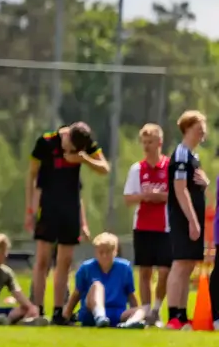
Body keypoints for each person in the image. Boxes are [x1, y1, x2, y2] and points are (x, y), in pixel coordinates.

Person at [26, 121, 110, 325]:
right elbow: (32, 175)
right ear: (66, 134)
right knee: (43, 260)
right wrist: (29, 210)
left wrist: (83, 158)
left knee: (64, 261)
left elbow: (104, 168)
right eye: (68, 145)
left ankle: (58, 312)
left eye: (74, 149)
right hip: (47, 205)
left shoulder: (85, 145)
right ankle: (36, 310)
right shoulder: (45, 141)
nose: (69, 150)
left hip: (71, 206)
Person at [122, 123, 170, 326]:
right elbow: (128, 198)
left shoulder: (170, 166)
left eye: (151, 142)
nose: (147, 146)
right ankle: (146, 311)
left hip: (165, 226)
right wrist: (145, 196)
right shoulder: (137, 169)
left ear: (160, 142)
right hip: (142, 225)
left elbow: (177, 195)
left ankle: (157, 308)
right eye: (144, 142)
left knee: (165, 271)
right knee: (144, 271)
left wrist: (161, 196)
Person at [165, 111, 208, 330]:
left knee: (189, 264)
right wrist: (192, 220)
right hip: (182, 218)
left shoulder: (194, 156)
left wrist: (205, 183)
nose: (203, 130)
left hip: (193, 218)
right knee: (180, 263)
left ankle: (182, 314)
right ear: (188, 128)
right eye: (198, 126)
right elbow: (180, 190)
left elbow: (193, 185)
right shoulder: (181, 154)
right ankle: (173, 314)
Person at [64, 233, 144, 328]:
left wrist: (135, 310)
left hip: (116, 312)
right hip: (91, 313)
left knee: (141, 311)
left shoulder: (125, 268)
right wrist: (66, 316)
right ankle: (100, 316)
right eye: (101, 252)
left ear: (115, 252)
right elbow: (76, 294)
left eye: (108, 252)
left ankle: (130, 323)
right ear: (96, 252)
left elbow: (131, 294)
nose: (104, 256)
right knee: (97, 285)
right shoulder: (86, 268)